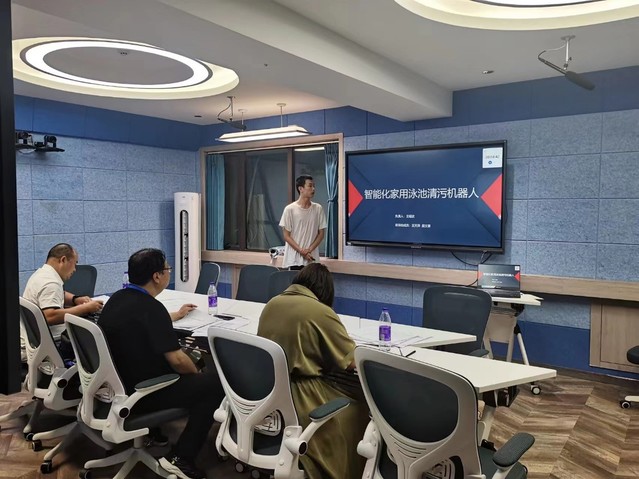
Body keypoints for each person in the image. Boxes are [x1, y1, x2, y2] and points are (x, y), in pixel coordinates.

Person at [98, 248, 223, 479]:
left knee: (191, 366)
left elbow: (142, 321)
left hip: (117, 386)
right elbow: (177, 360)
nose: (169, 272)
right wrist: (196, 374)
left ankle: (153, 433)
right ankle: (181, 458)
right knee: (213, 383)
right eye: (167, 269)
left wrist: (174, 315)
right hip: (142, 392)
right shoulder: (151, 308)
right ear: (157, 276)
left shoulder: (117, 298)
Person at [257, 263, 368, 479]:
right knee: (360, 410)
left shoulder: (272, 303)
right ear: (325, 290)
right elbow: (351, 361)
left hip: (271, 392)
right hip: (304, 395)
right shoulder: (320, 311)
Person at [23, 243, 103, 342]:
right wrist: (85, 308)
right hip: (54, 340)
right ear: (63, 260)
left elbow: (58, 293)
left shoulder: (41, 274)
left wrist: (75, 299)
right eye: (74, 264)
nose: (74, 269)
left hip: (34, 338)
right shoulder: (51, 283)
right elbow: (50, 316)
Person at [279, 174, 327, 269]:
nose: (313, 189)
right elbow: (286, 236)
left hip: (311, 258)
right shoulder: (290, 209)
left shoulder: (318, 208)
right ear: (300, 189)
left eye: (314, 186)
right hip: (294, 260)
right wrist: (301, 251)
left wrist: (309, 250)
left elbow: (321, 234)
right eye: (310, 186)